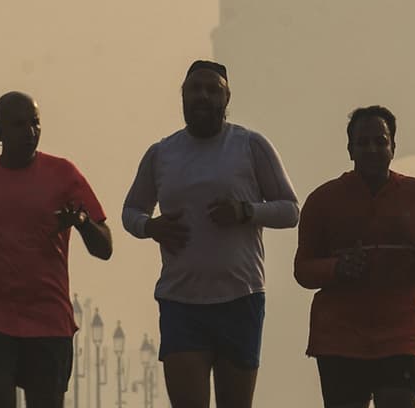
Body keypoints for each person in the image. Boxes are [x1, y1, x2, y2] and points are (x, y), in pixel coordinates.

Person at [122, 60, 299, 408]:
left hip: (240, 298)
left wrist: (246, 211)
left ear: (226, 97)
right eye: (195, 89)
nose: (203, 96)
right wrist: (151, 227)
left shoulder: (250, 145)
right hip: (181, 302)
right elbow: (131, 211)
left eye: (212, 90)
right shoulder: (162, 153)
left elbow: (291, 210)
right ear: (183, 96)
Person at [0, 91, 113, 408]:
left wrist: (82, 221)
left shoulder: (63, 175)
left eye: (35, 123)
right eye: (19, 125)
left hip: (48, 315)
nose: (30, 132)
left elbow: (105, 247)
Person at [295, 105, 415, 408]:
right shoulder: (323, 200)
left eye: (380, 141)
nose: (372, 149)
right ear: (350, 149)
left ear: (393, 147)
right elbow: (302, 270)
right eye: (363, 142)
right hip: (339, 338)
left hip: (401, 335)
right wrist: (337, 268)